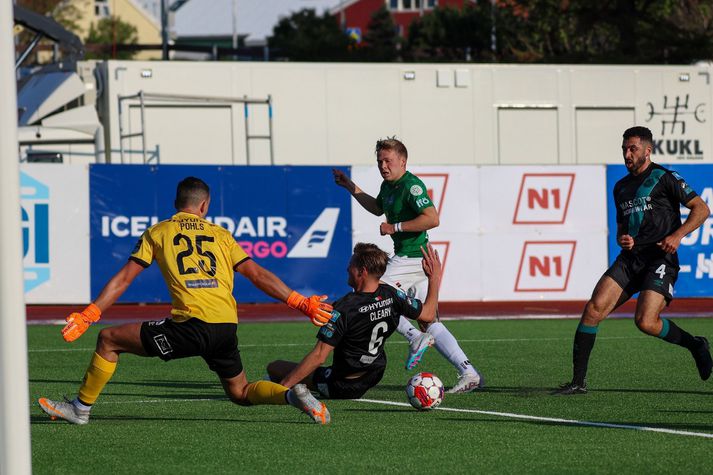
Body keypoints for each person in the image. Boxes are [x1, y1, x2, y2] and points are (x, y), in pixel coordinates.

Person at [38, 176, 333, 424]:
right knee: (240, 392)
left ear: (177, 203)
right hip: (225, 326)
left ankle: (80, 409)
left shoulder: (158, 232)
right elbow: (257, 274)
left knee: (108, 339)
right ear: (204, 206)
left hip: (191, 325)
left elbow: (124, 278)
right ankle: (291, 394)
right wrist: (301, 302)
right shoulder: (221, 234)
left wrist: (90, 313)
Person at [555, 126, 712, 395]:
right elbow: (621, 229)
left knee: (646, 321)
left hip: (660, 259)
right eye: (624, 149)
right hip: (630, 259)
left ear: (647, 151)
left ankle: (695, 344)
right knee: (593, 309)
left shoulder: (665, 177)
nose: (627, 154)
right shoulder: (621, 187)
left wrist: (677, 235)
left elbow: (702, 209)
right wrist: (622, 239)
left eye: (633, 149)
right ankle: (578, 383)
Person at [332, 138, 483, 394]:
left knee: (377, 296)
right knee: (428, 320)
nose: (383, 165)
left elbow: (432, 218)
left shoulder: (411, 186)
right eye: (379, 161)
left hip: (412, 257)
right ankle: (468, 372)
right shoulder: (388, 186)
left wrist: (395, 227)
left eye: (387, 160)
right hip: (414, 258)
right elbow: (377, 207)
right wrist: (350, 187)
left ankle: (414, 338)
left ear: (403, 161)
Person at [266, 243, 441, 399]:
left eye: (351, 265)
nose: (347, 269)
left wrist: (281, 389)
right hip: (375, 373)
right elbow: (428, 315)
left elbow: (319, 356)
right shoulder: (392, 294)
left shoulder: (344, 307)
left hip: (343, 385)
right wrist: (434, 278)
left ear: (361, 271)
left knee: (274, 368)